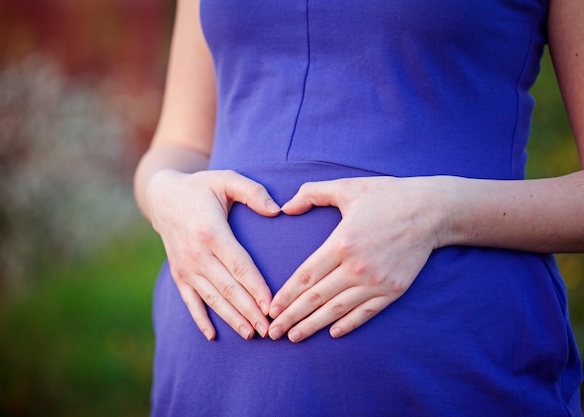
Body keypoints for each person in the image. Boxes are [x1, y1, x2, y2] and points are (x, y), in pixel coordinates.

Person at [134, 0, 584, 415]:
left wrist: (437, 213)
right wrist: (165, 193)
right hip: (210, 382)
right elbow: (181, 143)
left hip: (448, 370)